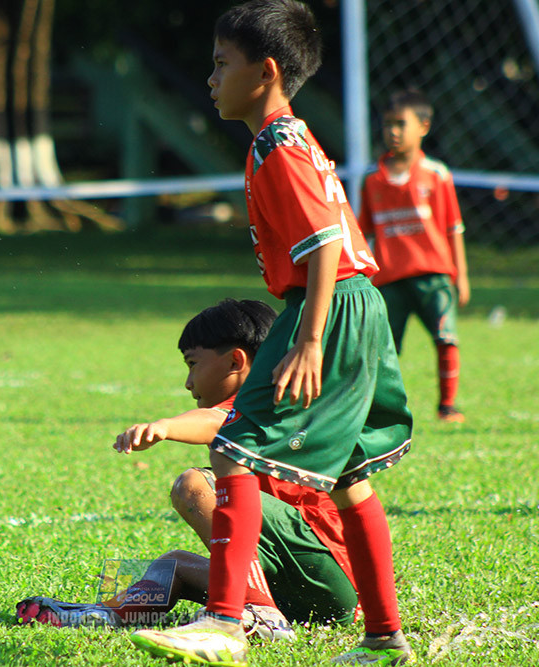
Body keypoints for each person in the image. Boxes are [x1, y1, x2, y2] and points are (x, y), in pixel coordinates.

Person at [129, 2, 415, 665]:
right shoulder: (293, 137)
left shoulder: (277, 143)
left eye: (222, 63)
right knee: (348, 474)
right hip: (354, 303)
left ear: (265, 72)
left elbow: (322, 246)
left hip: (329, 304)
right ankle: (382, 637)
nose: (210, 77)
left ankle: (226, 620)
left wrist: (311, 339)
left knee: (233, 446)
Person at [15, 299, 358, 640]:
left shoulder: (273, 401)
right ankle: (106, 615)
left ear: (236, 360)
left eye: (193, 364)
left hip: (328, 579)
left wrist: (165, 426)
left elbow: (216, 421)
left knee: (195, 484)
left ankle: (261, 613)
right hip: (294, 590)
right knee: (173, 564)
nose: (188, 381)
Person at [358, 89, 470, 423]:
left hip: (434, 276)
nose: (392, 131)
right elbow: (365, 233)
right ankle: (379, 410)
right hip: (389, 279)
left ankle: (447, 405)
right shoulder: (372, 179)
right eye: (387, 124)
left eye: (400, 124)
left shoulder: (437, 175)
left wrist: (461, 276)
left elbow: (454, 229)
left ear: (423, 126)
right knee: (383, 350)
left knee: (446, 338)